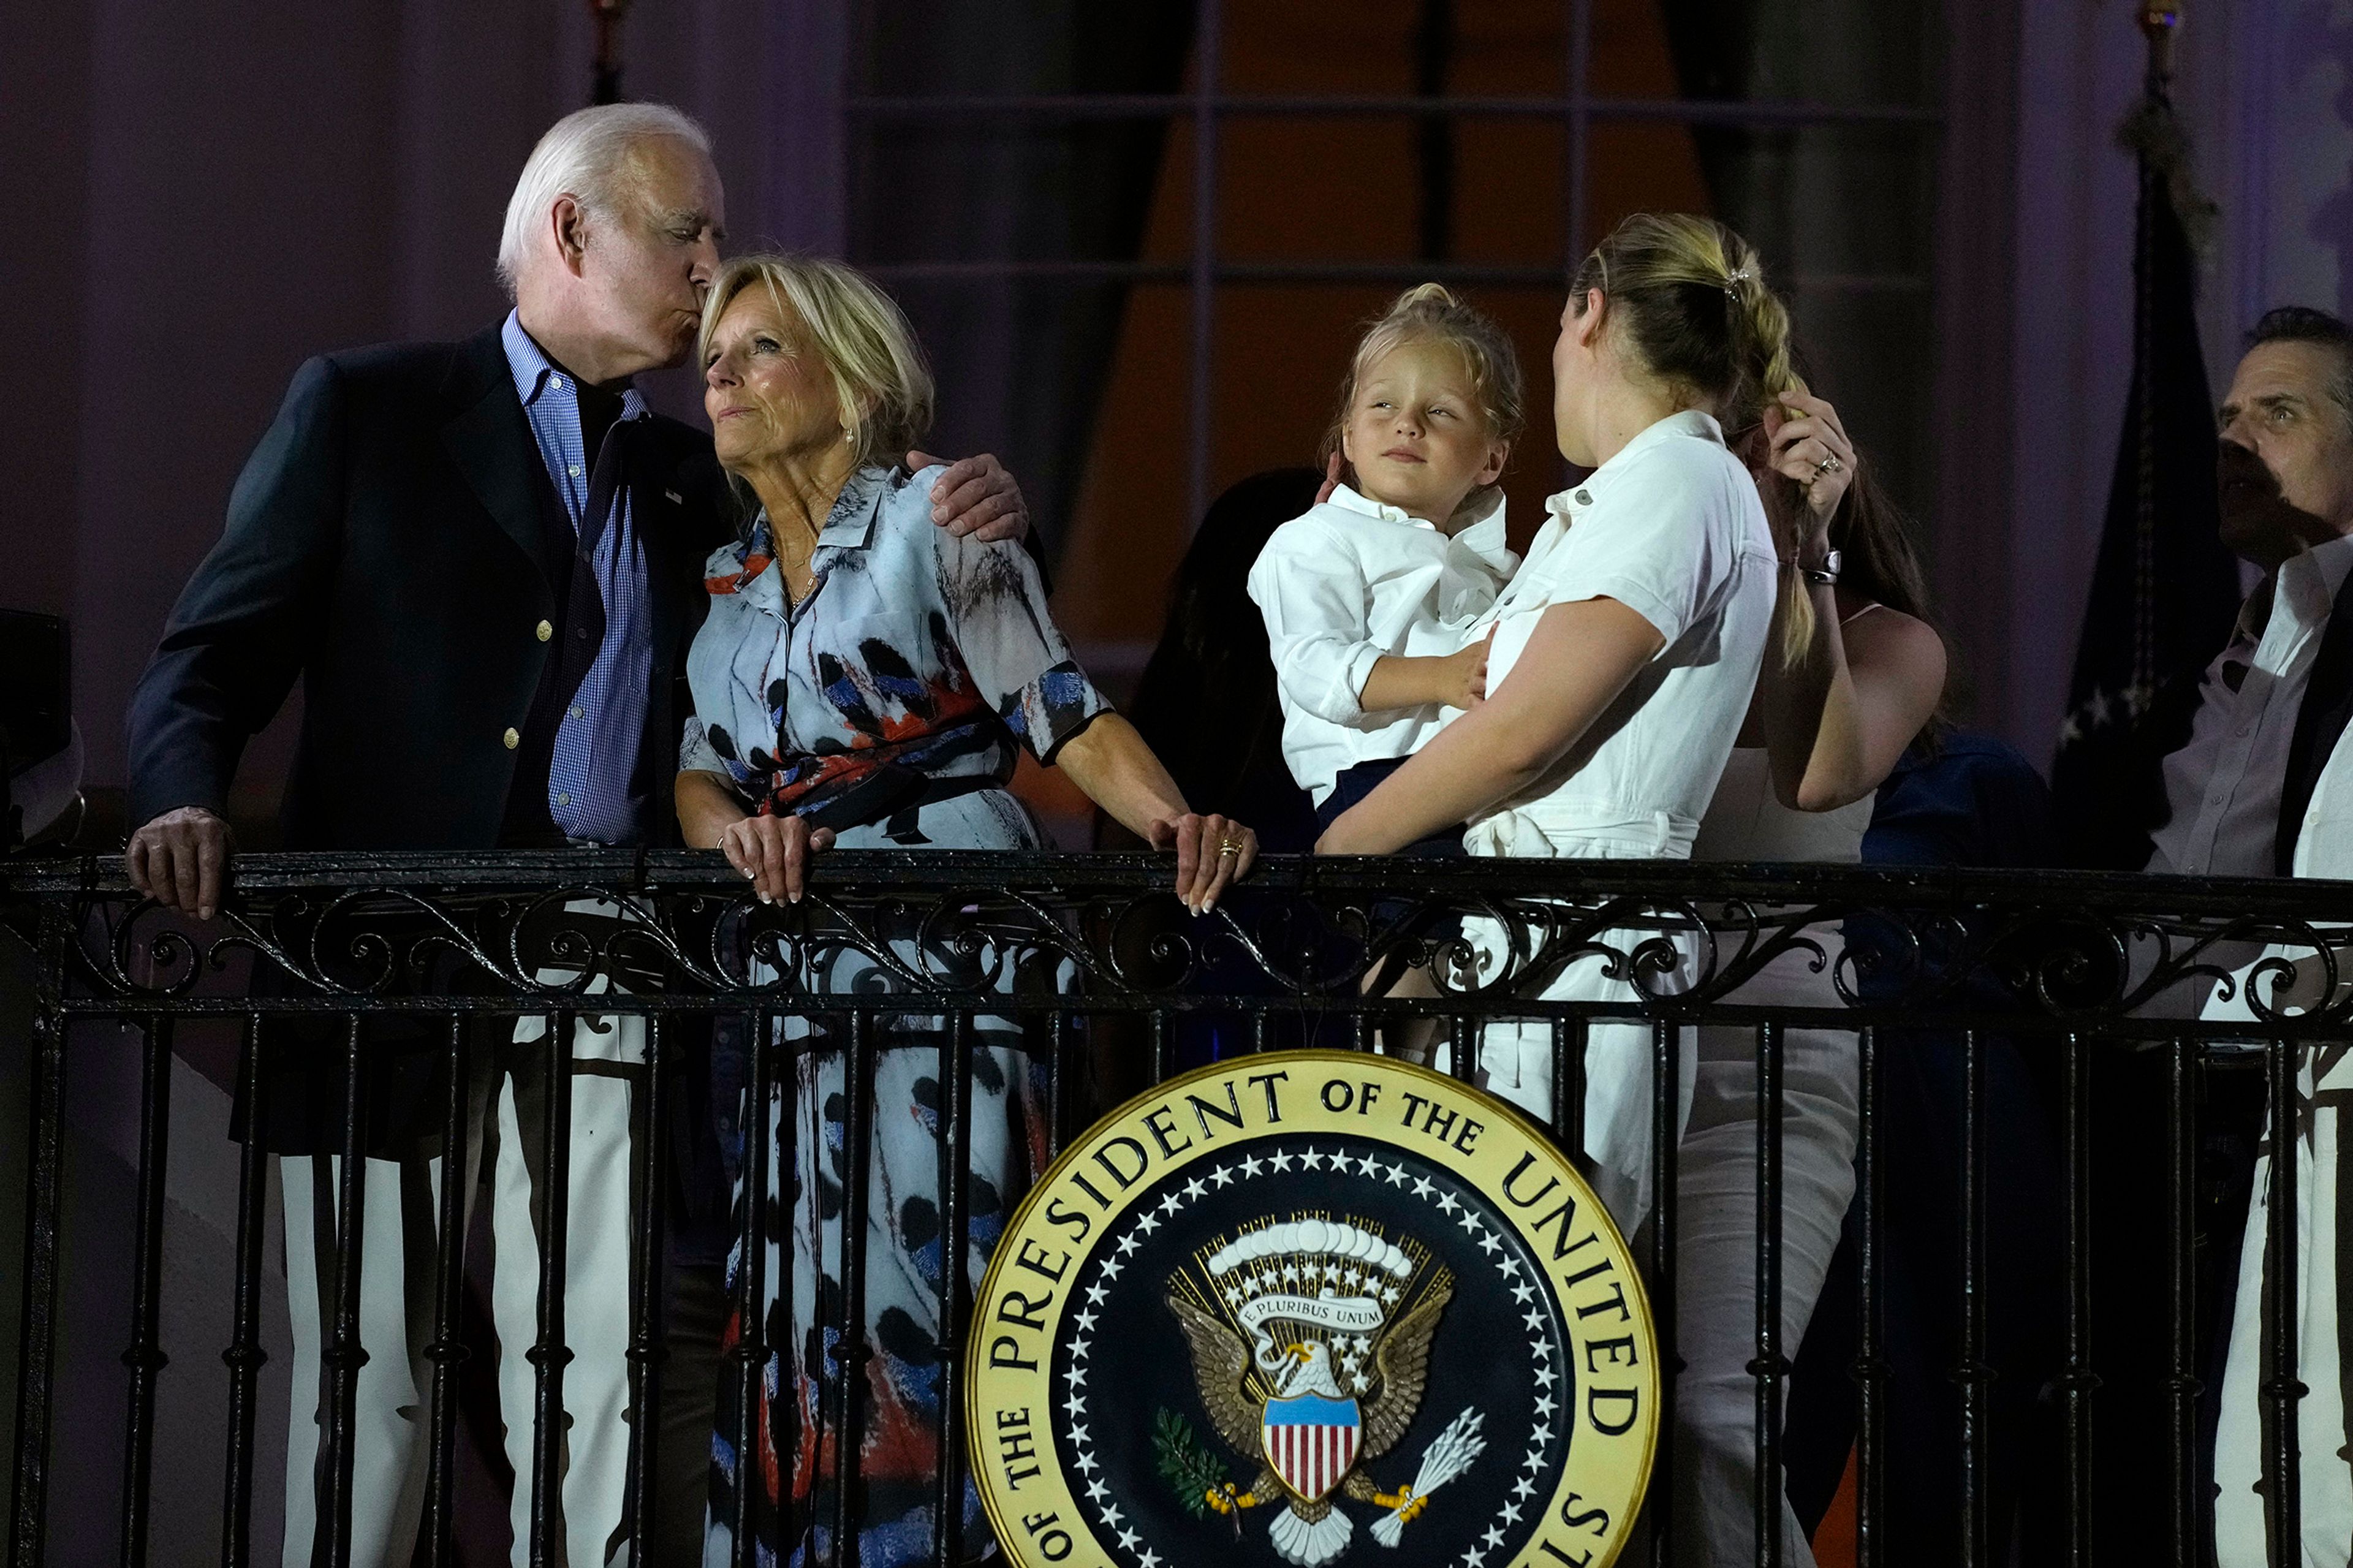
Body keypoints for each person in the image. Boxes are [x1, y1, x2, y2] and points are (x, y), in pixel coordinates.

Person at [119, 104, 1029, 1567]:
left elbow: (853, 538)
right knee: (372, 1375)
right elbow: (209, 654)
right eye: (689, 233)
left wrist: (971, 504)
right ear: (570, 233)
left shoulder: (688, 473)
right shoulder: (367, 408)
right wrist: (180, 792)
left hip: (614, 956)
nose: (711, 266)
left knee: (599, 1359)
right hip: (380, 971)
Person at [673, 253, 1257, 1566]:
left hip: (955, 946)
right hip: (802, 972)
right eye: (714, 354)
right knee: (795, 1312)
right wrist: (736, 838)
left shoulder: (939, 515)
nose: (721, 373)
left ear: (856, 378)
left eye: (760, 348)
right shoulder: (724, 579)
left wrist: (1175, 821)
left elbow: (1059, 706)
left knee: (948, 1292)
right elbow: (697, 775)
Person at [1316, 211, 1789, 1230]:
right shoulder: (1642, 488)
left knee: (1520, 1307)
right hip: (1530, 942)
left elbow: (1526, 727)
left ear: (1589, 310)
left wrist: (1343, 847)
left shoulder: (1678, 477)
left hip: (1581, 951)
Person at [1673, 387, 1947, 1567]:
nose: (1743, 471)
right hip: (1595, 1040)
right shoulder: (1622, 616)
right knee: (1572, 1406)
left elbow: (1823, 774)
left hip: (1766, 1070)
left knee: (1711, 1416)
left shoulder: (1889, 634)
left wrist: (1809, 551)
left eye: (1769, 449)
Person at [2161, 306, 2353, 1567]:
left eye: (2278, 413)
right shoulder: (2244, 630)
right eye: (2227, 415)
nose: (2235, 439)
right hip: (2196, 1102)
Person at [1247, 283, 1523, 854]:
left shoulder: (1497, 568)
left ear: (1492, 458)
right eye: (1383, 405)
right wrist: (1444, 676)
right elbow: (1314, 665)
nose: (1408, 424)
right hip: (1371, 789)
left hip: (1474, 790)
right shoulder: (1314, 541)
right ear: (1348, 435)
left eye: (1440, 411)